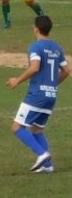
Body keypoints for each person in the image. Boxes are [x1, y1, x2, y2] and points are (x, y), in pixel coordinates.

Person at [6, 15, 69, 173]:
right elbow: (67, 70)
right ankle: (48, 166)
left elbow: (34, 67)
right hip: (51, 96)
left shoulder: (36, 47)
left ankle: (42, 155)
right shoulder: (57, 47)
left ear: (36, 29)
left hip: (37, 95)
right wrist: (52, 85)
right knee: (37, 129)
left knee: (16, 127)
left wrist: (17, 80)